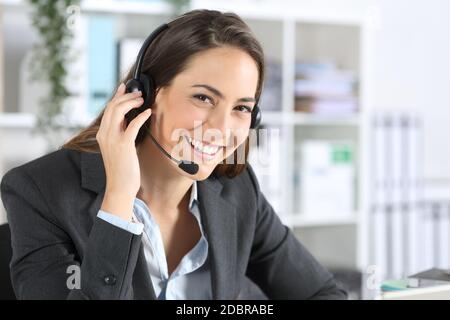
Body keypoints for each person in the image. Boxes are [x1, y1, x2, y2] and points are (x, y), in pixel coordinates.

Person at [0, 9, 347, 300]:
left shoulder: (237, 191)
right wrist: (118, 202)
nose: (221, 128)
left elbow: (323, 294)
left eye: (241, 108)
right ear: (144, 95)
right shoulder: (39, 190)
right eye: (203, 98)